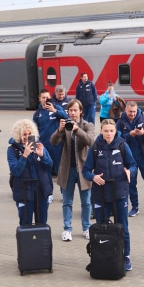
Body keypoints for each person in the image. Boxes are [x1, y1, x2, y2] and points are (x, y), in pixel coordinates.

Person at [82, 119, 136, 271]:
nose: (109, 133)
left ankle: (125, 256)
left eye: (111, 130)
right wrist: (93, 177)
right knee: (102, 227)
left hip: (119, 194)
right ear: (101, 131)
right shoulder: (95, 147)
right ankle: (101, 256)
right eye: (106, 131)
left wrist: (129, 171)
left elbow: (132, 164)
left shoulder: (122, 145)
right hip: (101, 195)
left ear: (115, 131)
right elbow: (85, 170)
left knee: (122, 227)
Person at [51, 99, 95, 241]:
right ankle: (67, 229)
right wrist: (59, 130)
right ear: (68, 112)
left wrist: (77, 130)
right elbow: (53, 142)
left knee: (86, 202)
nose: (73, 113)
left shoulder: (88, 125)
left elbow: (91, 141)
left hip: (84, 170)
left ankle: (86, 228)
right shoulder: (65, 126)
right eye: (71, 110)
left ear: (80, 111)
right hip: (68, 170)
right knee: (67, 202)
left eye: (76, 110)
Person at [117, 100, 144, 217]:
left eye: (134, 111)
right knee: (131, 185)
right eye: (130, 112)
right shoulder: (120, 122)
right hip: (130, 160)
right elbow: (117, 139)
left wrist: (143, 134)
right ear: (126, 110)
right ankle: (135, 207)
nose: (132, 114)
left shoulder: (143, 120)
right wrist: (128, 135)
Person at [7, 118, 54, 227]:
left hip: (41, 190)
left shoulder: (38, 145)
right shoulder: (12, 150)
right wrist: (24, 156)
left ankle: (41, 244)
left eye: (29, 134)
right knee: (25, 224)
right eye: (24, 134)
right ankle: (26, 244)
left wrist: (42, 155)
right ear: (18, 135)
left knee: (42, 223)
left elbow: (50, 165)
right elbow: (15, 171)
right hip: (24, 191)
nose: (27, 137)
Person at [33, 88, 68, 178]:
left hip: (57, 144)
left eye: (47, 97)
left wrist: (54, 111)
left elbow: (66, 117)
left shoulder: (57, 108)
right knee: (47, 169)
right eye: (43, 97)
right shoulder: (37, 113)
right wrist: (35, 145)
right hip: (44, 145)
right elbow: (33, 130)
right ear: (39, 98)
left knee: (58, 169)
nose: (45, 99)